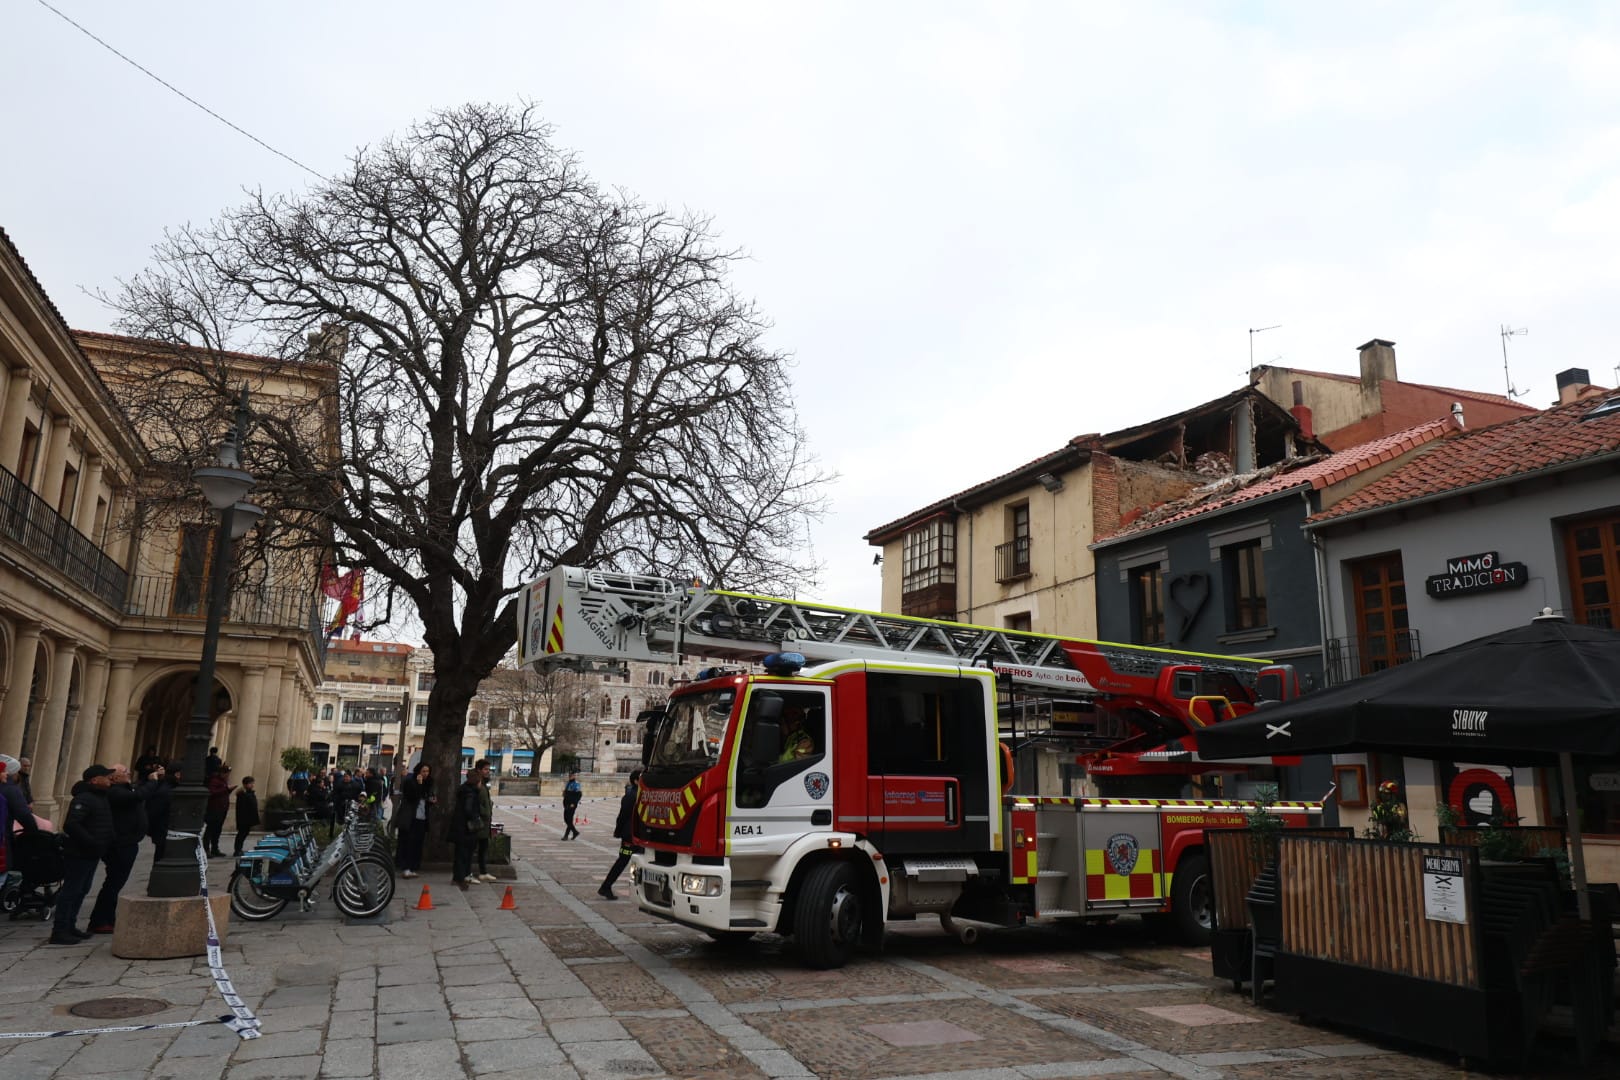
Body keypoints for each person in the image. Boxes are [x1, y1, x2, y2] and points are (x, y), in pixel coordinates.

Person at [53, 765, 114, 944]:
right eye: (105, 776)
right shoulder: (85, 798)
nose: (109, 778)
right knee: (71, 890)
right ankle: (60, 930)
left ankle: (70, 926)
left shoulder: (100, 797)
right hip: (80, 852)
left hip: (92, 852)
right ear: (95, 780)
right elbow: (72, 824)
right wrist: (92, 841)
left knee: (82, 889)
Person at [88, 764, 148, 933]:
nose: (129, 774)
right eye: (125, 772)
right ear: (114, 777)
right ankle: (100, 921)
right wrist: (151, 782)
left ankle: (106, 919)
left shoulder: (122, 790)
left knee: (114, 883)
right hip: (121, 844)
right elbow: (137, 797)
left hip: (125, 842)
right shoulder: (115, 793)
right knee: (113, 884)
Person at [596, 768, 643, 900]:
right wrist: (619, 831)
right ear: (635, 781)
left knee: (641, 862)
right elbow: (623, 816)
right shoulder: (631, 796)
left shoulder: (642, 794)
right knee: (623, 860)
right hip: (630, 835)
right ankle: (606, 886)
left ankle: (640, 890)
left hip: (640, 835)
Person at [450, 759, 486, 890]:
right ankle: (460, 877)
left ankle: (461, 876)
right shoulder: (470, 793)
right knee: (463, 853)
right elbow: (468, 810)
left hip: (461, 827)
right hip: (466, 829)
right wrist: (475, 817)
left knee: (462, 853)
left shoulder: (465, 790)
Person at [396, 762, 434, 878]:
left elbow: (426, 796)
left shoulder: (428, 783)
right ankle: (405, 867)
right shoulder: (411, 782)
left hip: (421, 816)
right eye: (423, 771)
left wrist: (430, 800)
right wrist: (419, 784)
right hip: (411, 816)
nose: (425, 774)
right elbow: (413, 796)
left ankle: (413, 866)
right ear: (418, 771)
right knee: (408, 842)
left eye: (427, 772)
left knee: (418, 842)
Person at [145, 761, 174, 866]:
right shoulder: (165, 791)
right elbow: (153, 812)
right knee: (160, 860)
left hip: (166, 831)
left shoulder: (167, 788)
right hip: (163, 831)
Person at [204, 765, 235, 857]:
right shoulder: (214, 781)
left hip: (222, 808)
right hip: (214, 809)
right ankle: (206, 849)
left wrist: (229, 790)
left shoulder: (223, 781)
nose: (228, 776)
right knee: (210, 829)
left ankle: (215, 848)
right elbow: (212, 792)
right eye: (226, 774)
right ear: (222, 773)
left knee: (217, 830)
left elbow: (223, 793)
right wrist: (226, 789)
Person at [473, 759, 495, 883]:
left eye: (488, 769)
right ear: (479, 770)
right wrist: (485, 810)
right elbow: (474, 802)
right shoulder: (476, 784)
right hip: (478, 822)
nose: (488, 772)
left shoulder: (484, 783)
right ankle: (468, 873)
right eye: (486, 769)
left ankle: (483, 872)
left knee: (483, 847)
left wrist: (488, 805)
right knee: (472, 848)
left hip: (485, 822)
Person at [233, 776, 260, 857]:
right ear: (245, 784)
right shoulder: (243, 794)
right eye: (250, 783)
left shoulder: (248, 793)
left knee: (244, 833)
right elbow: (244, 807)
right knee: (241, 834)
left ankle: (239, 849)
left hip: (247, 817)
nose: (252, 785)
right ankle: (237, 849)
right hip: (244, 818)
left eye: (252, 783)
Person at [561, 768, 582, 841]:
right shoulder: (568, 783)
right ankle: (575, 832)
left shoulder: (576, 784)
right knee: (566, 819)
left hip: (572, 804)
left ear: (574, 776)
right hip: (566, 803)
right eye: (569, 775)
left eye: (571, 775)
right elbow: (567, 792)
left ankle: (566, 835)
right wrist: (564, 793)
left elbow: (578, 795)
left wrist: (574, 803)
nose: (570, 776)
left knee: (569, 820)